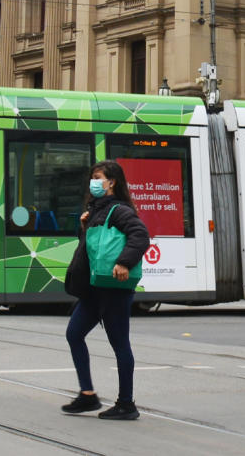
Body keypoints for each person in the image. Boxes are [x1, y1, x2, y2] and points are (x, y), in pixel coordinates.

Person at [62, 160, 150, 420]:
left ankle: (126, 404)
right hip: (94, 288)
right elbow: (94, 250)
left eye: (98, 177)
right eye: (93, 177)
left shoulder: (120, 210)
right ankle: (87, 395)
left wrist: (124, 262)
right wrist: (84, 228)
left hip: (114, 290)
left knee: (120, 344)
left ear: (112, 182)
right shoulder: (96, 211)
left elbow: (140, 235)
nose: (94, 182)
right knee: (74, 333)